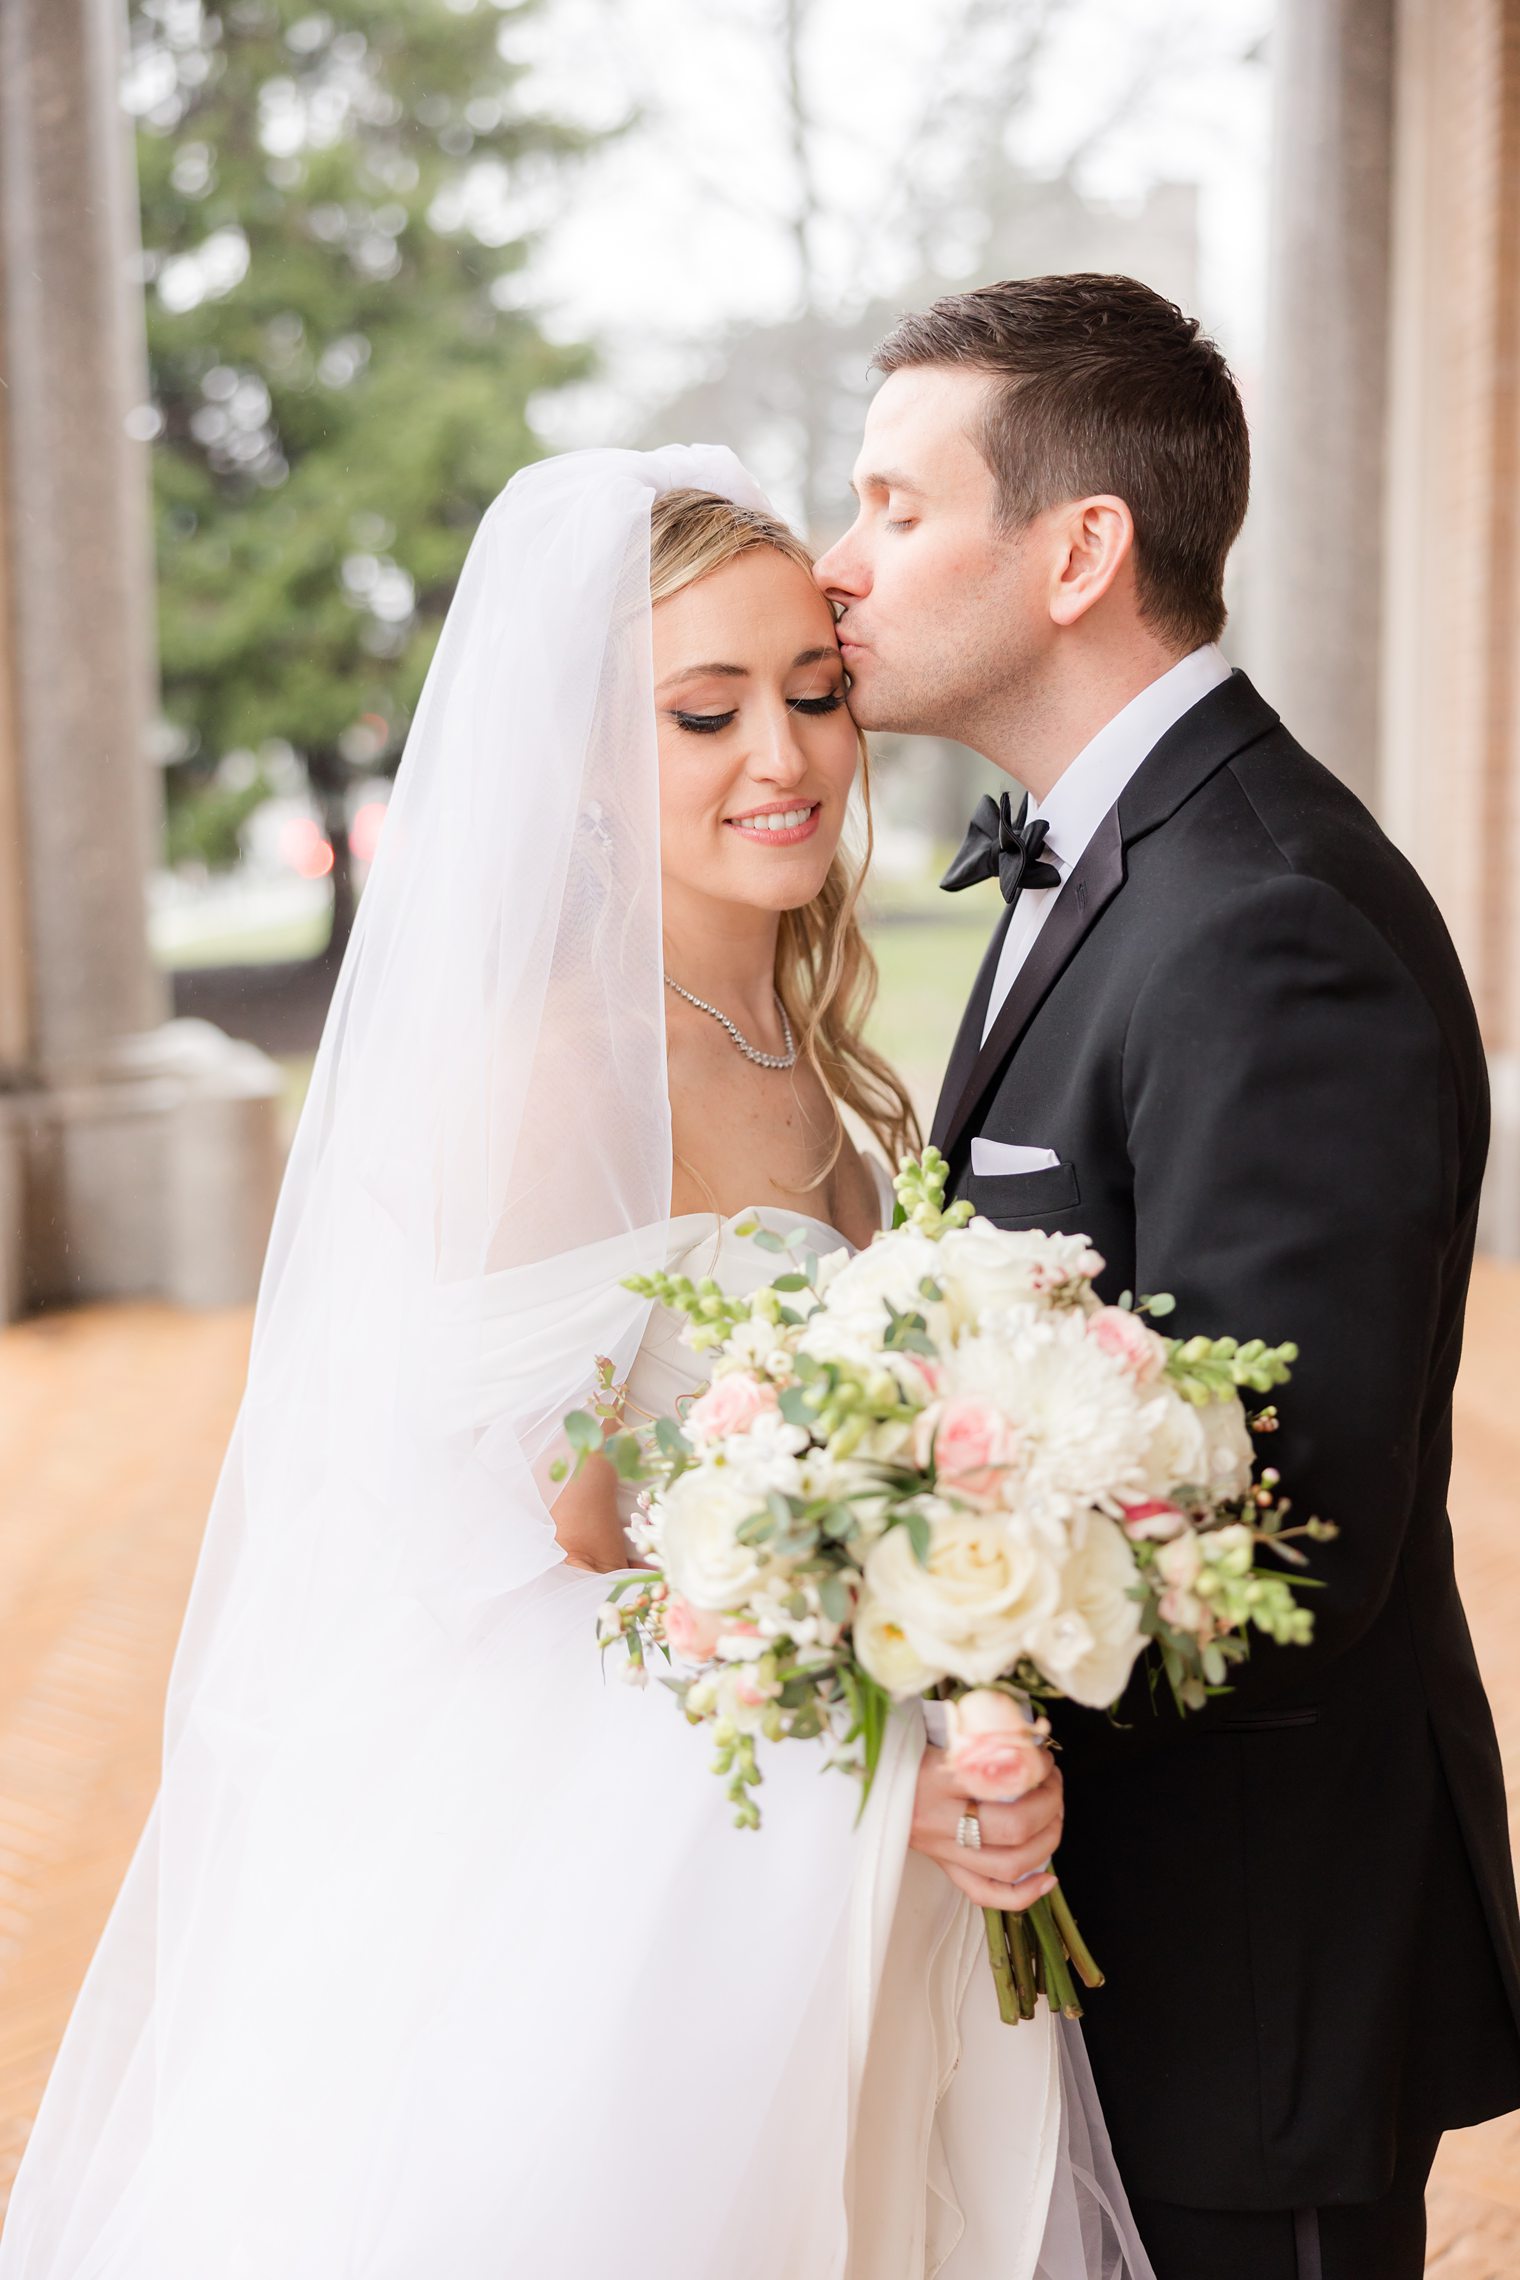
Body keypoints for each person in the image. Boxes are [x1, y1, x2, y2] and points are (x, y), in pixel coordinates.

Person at [0, 447, 1152, 2279]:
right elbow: (493, 1580)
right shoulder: (536, 1090)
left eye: (813, 693)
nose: (779, 760)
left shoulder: (808, 1043)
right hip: (628, 1893)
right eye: (701, 715)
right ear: (587, 771)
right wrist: (868, 1780)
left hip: (845, 1851)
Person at [816, 270, 1520, 2280]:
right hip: (1100, 1952)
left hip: (1240, 1975)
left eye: (894, 506)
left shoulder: (1262, 922)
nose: (843, 567)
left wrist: (968, 1702)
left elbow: (1292, 1541)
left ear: (1076, 552)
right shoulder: (1108, 858)